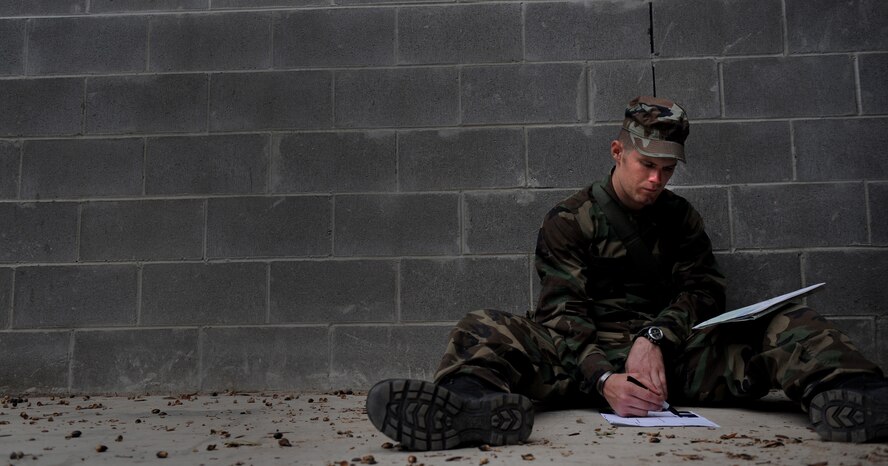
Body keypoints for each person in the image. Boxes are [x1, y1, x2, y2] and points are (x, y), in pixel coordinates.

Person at [365, 96, 888, 450]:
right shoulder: (569, 220)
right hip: (581, 362)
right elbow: (563, 317)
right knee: (483, 326)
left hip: (671, 360)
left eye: (669, 168)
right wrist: (606, 378)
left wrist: (654, 338)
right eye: (647, 165)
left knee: (790, 323)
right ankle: (469, 406)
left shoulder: (681, 218)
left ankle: (858, 397)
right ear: (618, 152)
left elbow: (703, 291)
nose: (658, 179)